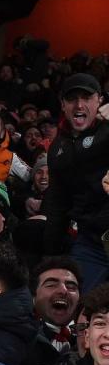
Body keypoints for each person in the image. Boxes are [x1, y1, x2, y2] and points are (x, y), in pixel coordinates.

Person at [42, 73, 109, 290]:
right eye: (72, 99)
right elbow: (57, 202)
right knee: (80, 305)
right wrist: (50, 254)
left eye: (87, 98)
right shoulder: (58, 148)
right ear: (63, 105)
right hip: (91, 241)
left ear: (100, 100)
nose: (79, 104)